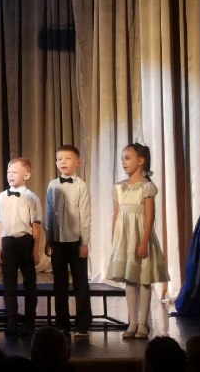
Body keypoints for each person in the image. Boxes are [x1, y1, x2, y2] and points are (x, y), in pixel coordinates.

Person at [106, 143, 169, 339]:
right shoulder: (119, 187)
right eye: (122, 159)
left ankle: (143, 323)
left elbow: (149, 217)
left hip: (141, 237)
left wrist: (143, 242)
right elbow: (116, 214)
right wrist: (114, 238)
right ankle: (132, 322)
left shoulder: (147, 187)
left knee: (144, 279)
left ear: (140, 161)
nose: (123, 162)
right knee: (130, 280)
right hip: (124, 240)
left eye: (128, 158)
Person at [44, 144, 92, 339]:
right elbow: (49, 213)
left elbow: (85, 216)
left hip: (76, 241)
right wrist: (48, 239)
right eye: (59, 159)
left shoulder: (81, 185)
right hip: (57, 241)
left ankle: (83, 324)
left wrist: (85, 242)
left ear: (78, 162)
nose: (62, 162)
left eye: (67, 158)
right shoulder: (52, 185)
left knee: (81, 283)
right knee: (59, 284)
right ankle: (61, 324)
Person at [0, 157, 42, 336]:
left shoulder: (31, 197)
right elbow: (0, 224)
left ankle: (29, 321)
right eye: (8, 172)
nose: (10, 175)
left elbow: (36, 226)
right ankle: (11, 321)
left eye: (14, 172)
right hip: (8, 243)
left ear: (26, 175)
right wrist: (0, 247)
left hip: (25, 242)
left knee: (30, 284)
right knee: (9, 285)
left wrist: (35, 250)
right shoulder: (1, 197)